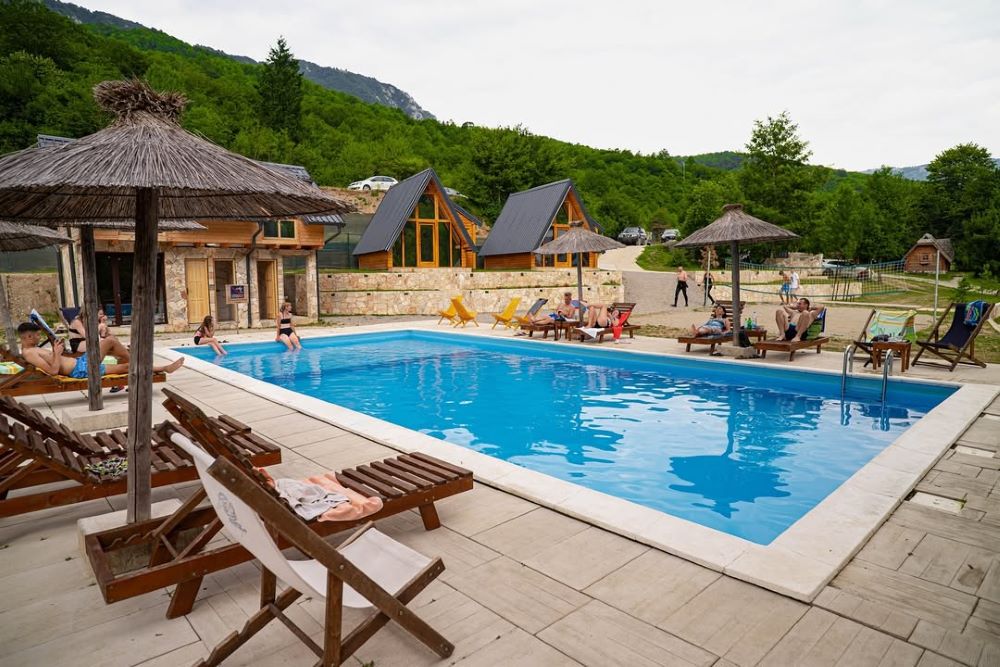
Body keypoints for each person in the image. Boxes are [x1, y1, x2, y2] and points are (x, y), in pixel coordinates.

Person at [18, 322, 183, 378]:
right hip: (80, 369)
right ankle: (158, 366)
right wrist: (57, 353)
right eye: (37, 336)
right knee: (121, 357)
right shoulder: (30, 353)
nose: (39, 338)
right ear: (29, 337)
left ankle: (140, 362)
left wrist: (56, 352)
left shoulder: (32, 349)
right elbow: (53, 371)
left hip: (81, 363)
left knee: (112, 343)